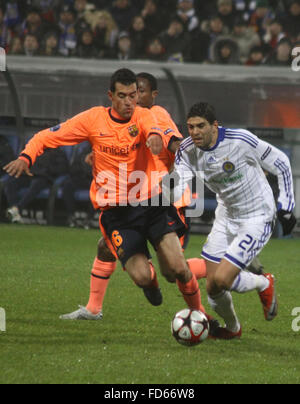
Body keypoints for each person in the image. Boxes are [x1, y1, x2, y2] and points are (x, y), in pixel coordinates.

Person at [4, 68, 203, 323]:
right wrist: (26, 156)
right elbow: (47, 136)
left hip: (153, 203)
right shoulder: (93, 120)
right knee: (142, 275)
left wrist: (154, 136)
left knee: (176, 268)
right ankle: (143, 285)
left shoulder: (145, 115)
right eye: (123, 96)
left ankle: (201, 315)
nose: (129, 101)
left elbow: (152, 127)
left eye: (133, 95)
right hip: (117, 213)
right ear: (110, 95)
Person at [59, 71, 210, 323]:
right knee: (106, 247)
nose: (134, 99)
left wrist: (187, 161)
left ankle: (225, 268)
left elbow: (175, 144)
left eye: (139, 92)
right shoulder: (130, 121)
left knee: (173, 271)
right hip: (135, 202)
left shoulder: (158, 115)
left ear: (152, 95)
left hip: (166, 200)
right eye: (129, 93)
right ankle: (95, 307)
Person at [170, 102, 295, 339]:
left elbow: (280, 162)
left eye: (201, 126)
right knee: (213, 287)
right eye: (190, 127)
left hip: (257, 216)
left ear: (214, 126)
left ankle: (262, 283)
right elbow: (178, 184)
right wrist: (165, 200)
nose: (195, 132)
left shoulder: (240, 141)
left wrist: (287, 206)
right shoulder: (186, 150)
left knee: (222, 278)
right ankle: (233, 328)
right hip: (226, 215)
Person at [4, 147, 69, 223]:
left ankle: (18, 209)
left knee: (36, 184)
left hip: (44, 178)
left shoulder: (57, 152)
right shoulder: (34, 149)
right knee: (11, 183)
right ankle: (14, 210)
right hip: (29, 175)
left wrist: (47, 170)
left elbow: (63, 168)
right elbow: (23, 161)